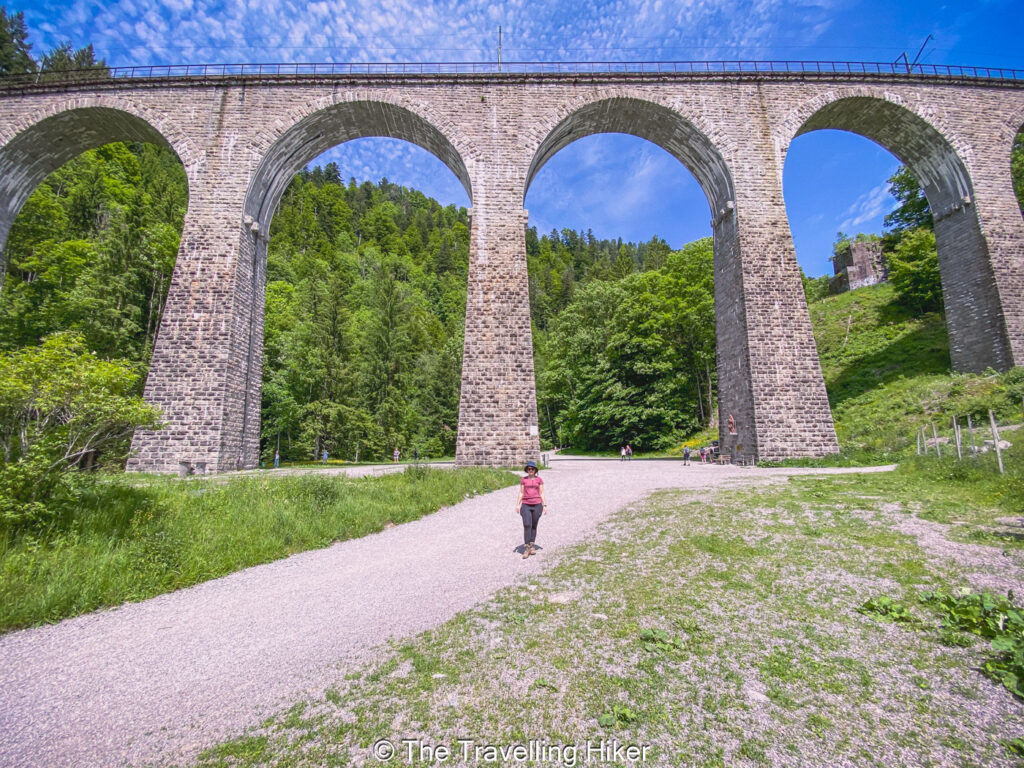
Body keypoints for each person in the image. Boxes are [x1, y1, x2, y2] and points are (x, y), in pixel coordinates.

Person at [515, 460, 546, 559]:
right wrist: (517, 504)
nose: (530, 470)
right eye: (529, 469)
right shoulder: (524, 480)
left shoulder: (539, 480)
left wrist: (544, 505)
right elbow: (521, 492)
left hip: (537, 504)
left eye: (532, 469)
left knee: (534, 525)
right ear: (527, 470)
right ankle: (527, 547)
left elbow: (541, 493)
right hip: (526, 504)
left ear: (535, 470)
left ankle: (532, 545)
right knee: (527, 524)